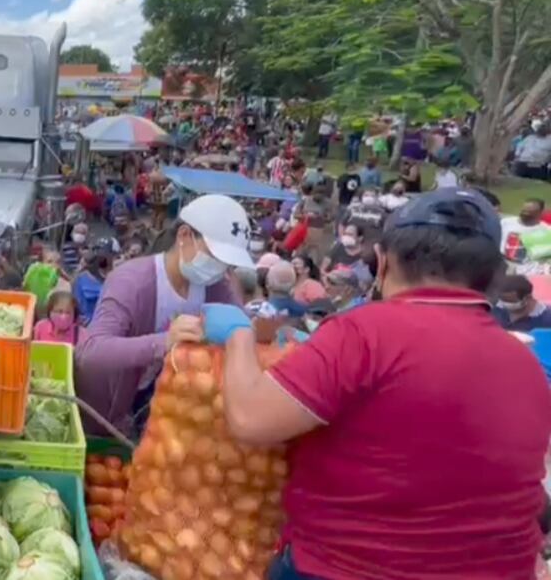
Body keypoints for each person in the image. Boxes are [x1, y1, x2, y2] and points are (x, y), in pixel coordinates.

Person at [202, 187, 551, 580]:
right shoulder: (527, 365)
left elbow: (250, 418)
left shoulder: (365, 334)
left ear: (384, 260)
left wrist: (238, 335)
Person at [74, 194, 250, 434]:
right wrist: (164, 342)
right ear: (184, 236)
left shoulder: (216, 286)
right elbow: (92, 353)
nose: (221, 268)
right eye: (215, 257)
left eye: (227, 263)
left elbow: (241, 329)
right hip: (106, 416)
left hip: (164, 416)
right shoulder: (132, 282)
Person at [500, 198, 549, 264]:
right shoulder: (505, 222)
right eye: (524, 211)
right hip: (502, 262)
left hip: (527, 267)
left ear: (541, 212)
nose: (526, 214)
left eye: (531, 212)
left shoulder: (546, 230)